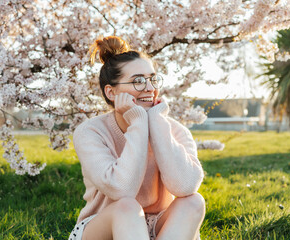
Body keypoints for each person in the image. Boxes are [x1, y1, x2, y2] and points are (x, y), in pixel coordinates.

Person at [68, 36, 205, 240]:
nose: (150, 89)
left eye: (153, 79)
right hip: (105, 227)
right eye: (138, 81)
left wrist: (157, 122)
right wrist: (138, 123)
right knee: (127, 206)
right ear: (111, 92)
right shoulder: (90, 132)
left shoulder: (175, 130)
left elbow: (185, 186)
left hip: (159, 227)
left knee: (194, 201)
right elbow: (122, 190)